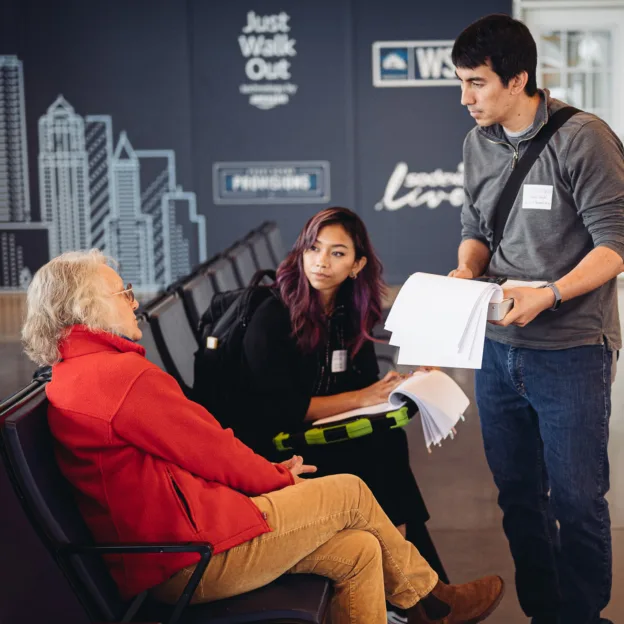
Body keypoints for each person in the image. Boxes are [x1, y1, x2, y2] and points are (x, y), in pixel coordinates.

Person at [21, 249, 504, 624]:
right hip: (190, 557)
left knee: (359, 551)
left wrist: (269, 478)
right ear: (87, 308)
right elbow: (209, 449)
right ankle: (434, 601)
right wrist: (274, 476)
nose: (134, 301)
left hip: (172, 546)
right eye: (122, 293)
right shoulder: (120, 378)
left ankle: (431, 604)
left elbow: (192, 452)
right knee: (351, 492)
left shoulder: (76, 373)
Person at [449, 13, 624, 624]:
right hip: (497, 348)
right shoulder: (477, 143)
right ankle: (545, 613)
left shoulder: (585, 139)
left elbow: (616, 245)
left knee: (577, 500)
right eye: (462, 83)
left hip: (573, 349)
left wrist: (548, 295)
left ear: (518, 79)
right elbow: (475, 229)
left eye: (476, 83)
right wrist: (469, 270)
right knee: (520, 495)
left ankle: (583, 615)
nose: (465, 97)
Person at [217, 207, 448, 592]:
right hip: (271, 444)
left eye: (337, 253)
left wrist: (406, 384)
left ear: (357, 265)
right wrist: (360, 398)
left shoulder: (348, 311)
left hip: (314, 429)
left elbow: (367, 382)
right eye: (314, 248)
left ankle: (416, 590)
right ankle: (423, 593)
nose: (321, 262)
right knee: (381, 454)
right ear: (302, 252)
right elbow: (282, 411)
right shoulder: (272, 314)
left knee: (387, 441)